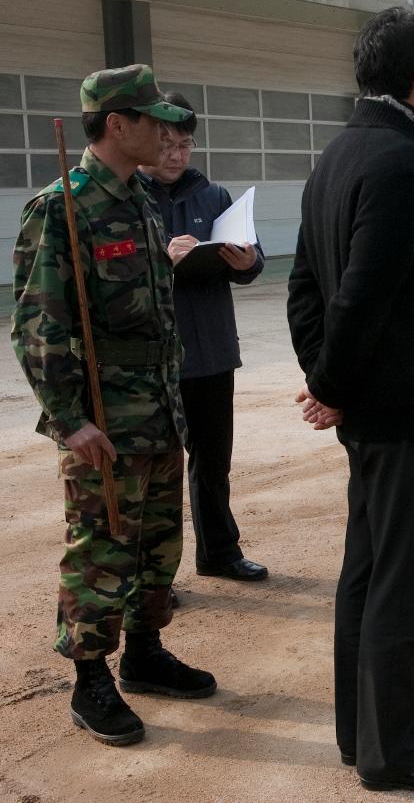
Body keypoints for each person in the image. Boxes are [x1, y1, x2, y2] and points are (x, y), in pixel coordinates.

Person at [286, 6, 414, 792]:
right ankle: (391, 748)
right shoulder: (401, 165)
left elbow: (305, 290)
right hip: (408, 412)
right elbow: (360, 295)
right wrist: (332, 385)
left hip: (373, 410)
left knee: (367, 573)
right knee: (407, 581)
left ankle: (362, 726)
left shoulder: (337, 153)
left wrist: (330, 384)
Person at [11, 64, 216, 747]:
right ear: (117, 124)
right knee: (101, 548)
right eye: (152, 119)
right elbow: (38, 326)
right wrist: (69, 420)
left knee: (158, 543)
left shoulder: (142, 204)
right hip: (104, 419)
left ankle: (144, 651)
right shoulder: (63, 207)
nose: (165, 131)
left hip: (158, 411)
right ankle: (89, 677)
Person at [139, 91, 269, 582]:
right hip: (155, 359)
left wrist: (246, 261)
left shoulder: (212, 196)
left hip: (212, 352)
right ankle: (155, 578)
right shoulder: (129, 198)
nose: (175, 155)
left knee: (213, 463)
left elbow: (253, 261)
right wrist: (161, 259)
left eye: (185, 145)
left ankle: (219, 552)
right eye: (166, 144)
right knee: (156, 471)